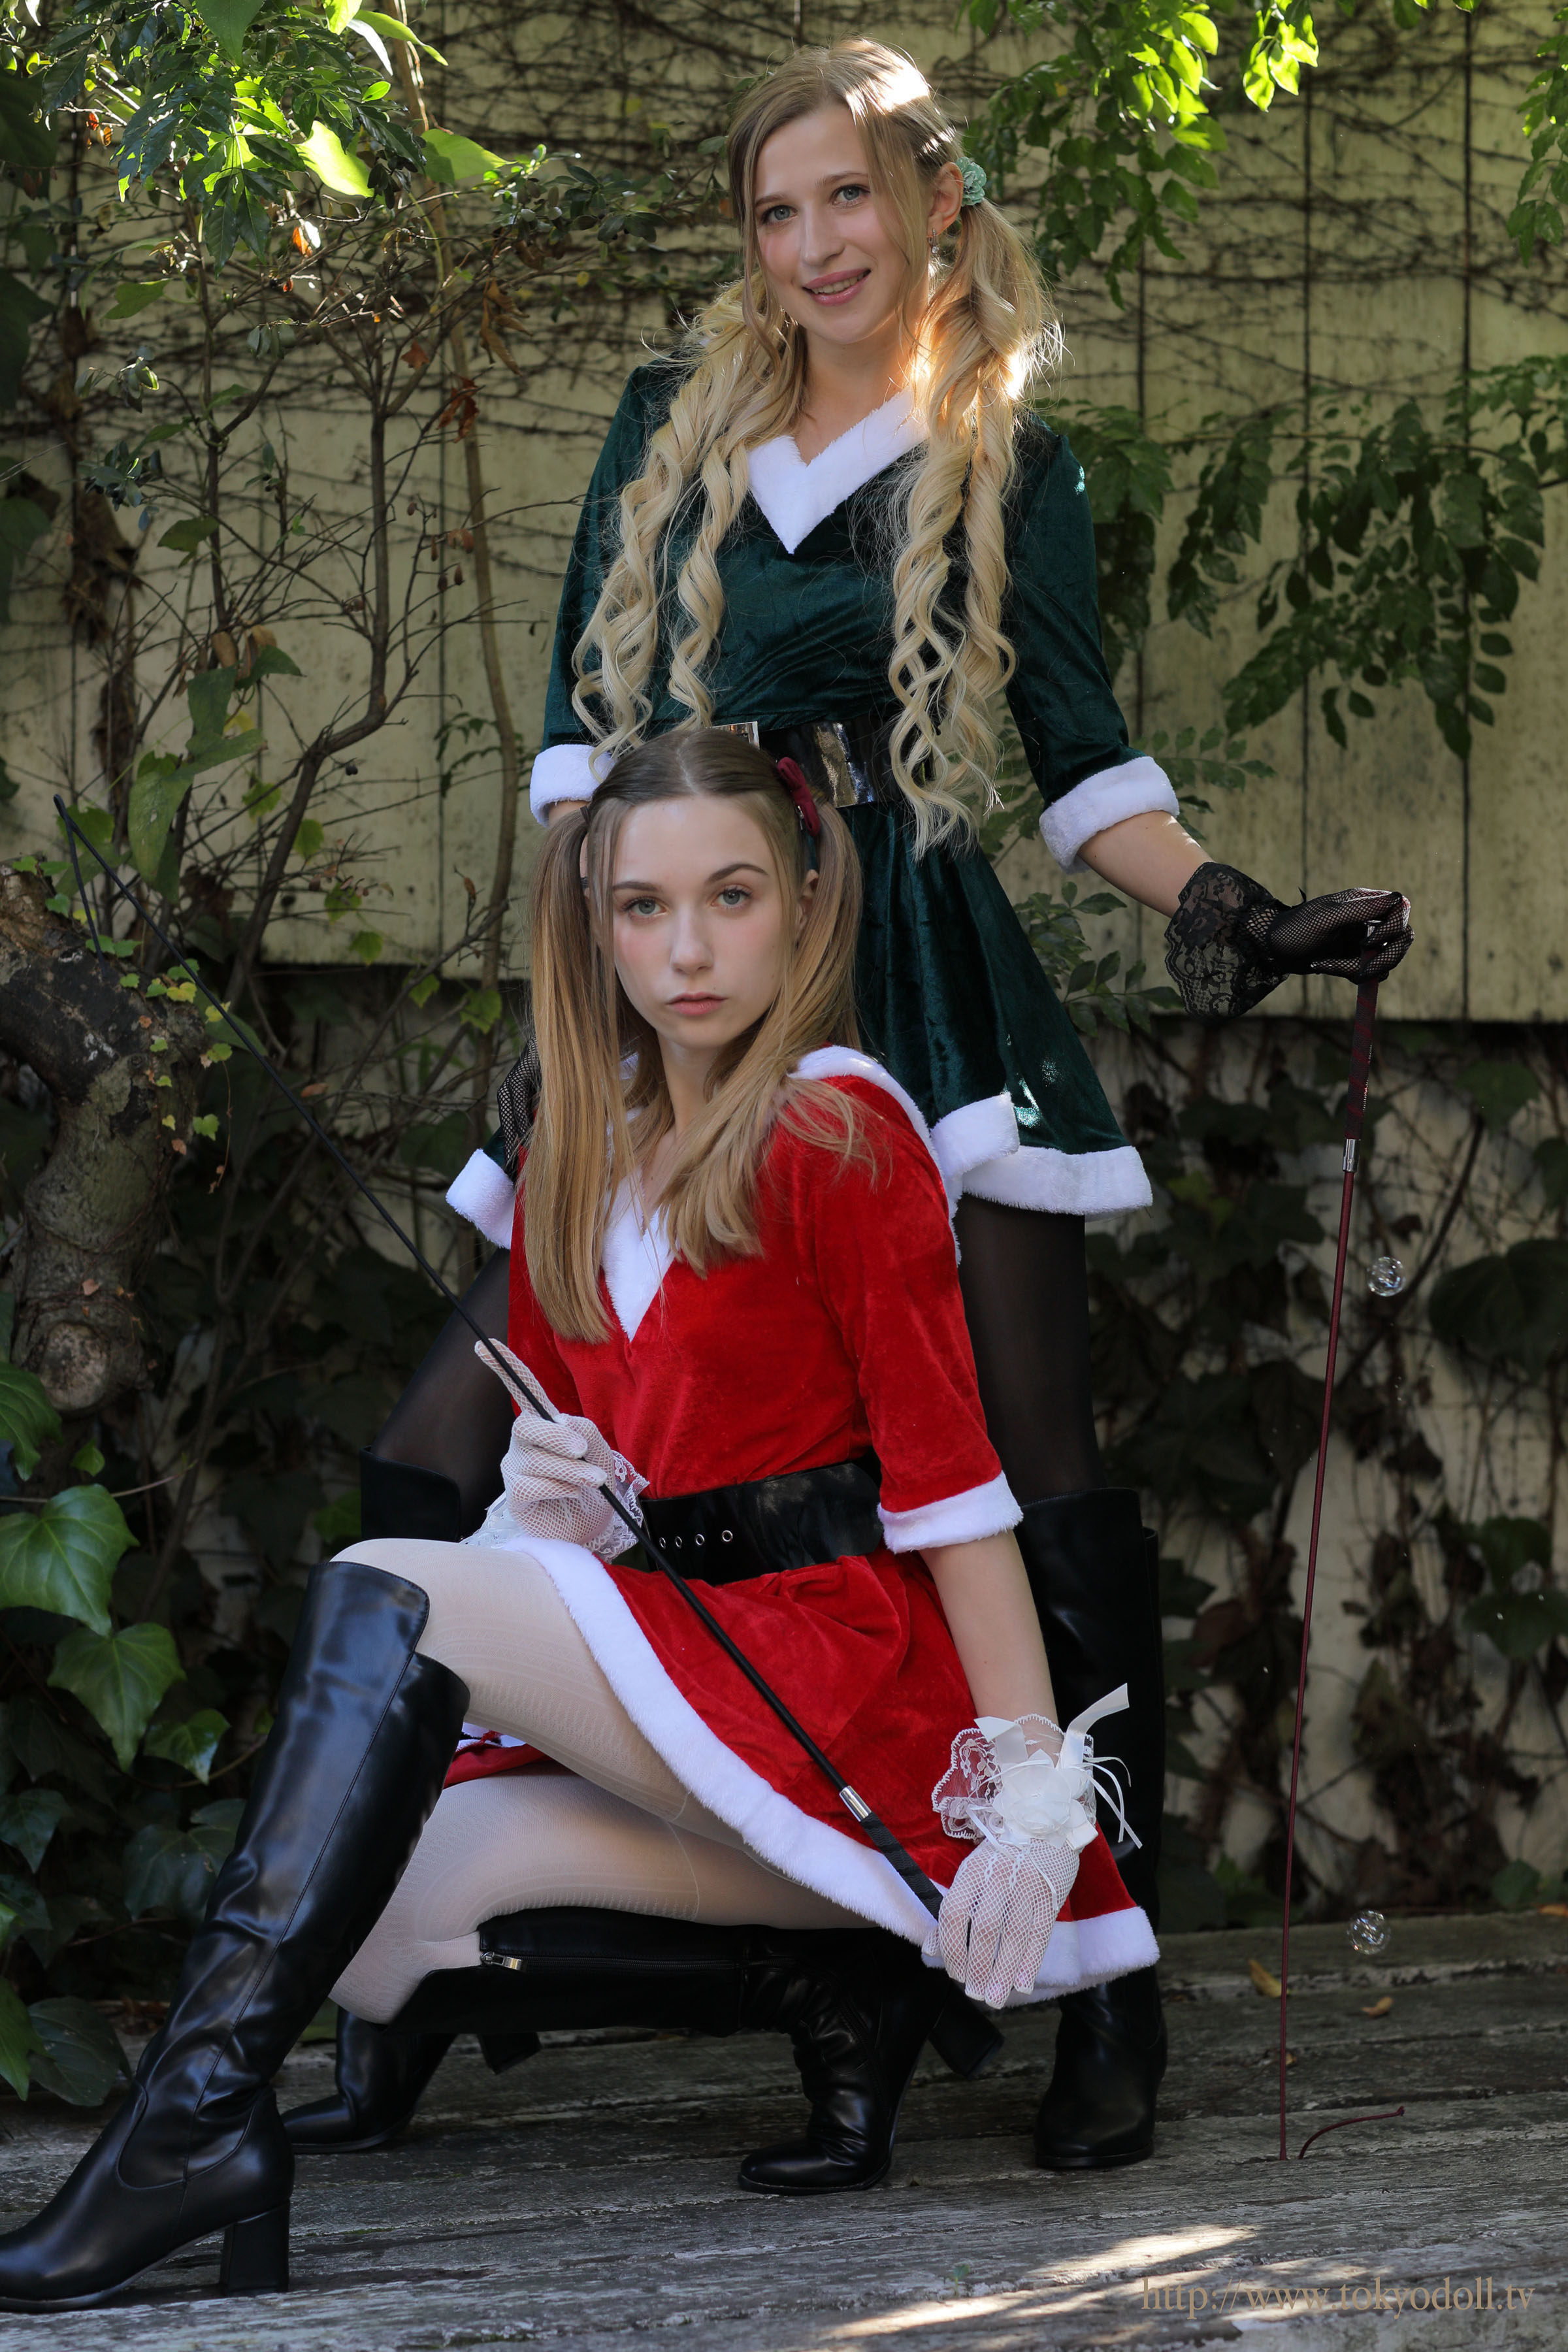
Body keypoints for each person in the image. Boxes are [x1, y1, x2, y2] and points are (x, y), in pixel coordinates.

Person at [398, 35, 1410, 2171]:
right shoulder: (674, 425)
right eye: (775, 212)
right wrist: (583, 1011)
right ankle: (445, 1939)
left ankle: (1106, 1989)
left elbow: (1079, 758)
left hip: (921, 974)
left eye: (846, 195)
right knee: (472, 1416)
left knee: (1031, 1476)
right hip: (688, 961)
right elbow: (582, 756)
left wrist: (1234, 903)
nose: (812, 245)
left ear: (935, 198)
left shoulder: (1006, 451)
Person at [0, 732, 1154, 2312]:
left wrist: (1029, 1802)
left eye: (732, 896)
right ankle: (844, 1974)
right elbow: (608, 1450)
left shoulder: (844, 1133)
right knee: (384, 1939)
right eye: (642, 907)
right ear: (593, 925)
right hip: (684, 1667)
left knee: (387, 1587)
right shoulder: (582, 1145)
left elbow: (956, 1503)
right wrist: (554, 1498)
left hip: (834, 1680)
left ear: (807, 903)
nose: (688, 951)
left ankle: (182, 2139)